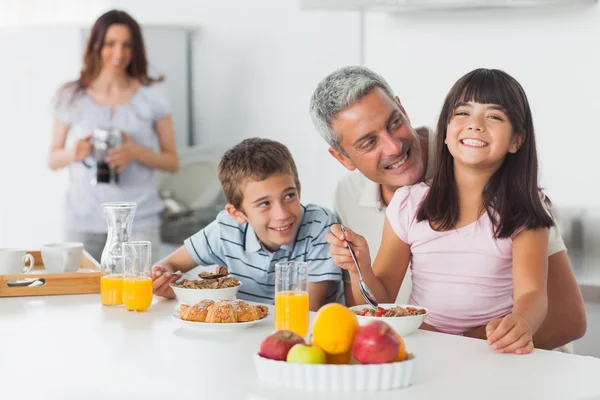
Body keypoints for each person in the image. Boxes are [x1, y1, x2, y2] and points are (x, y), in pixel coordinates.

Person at [310, 66, 586, 351]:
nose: (393, 147)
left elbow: (554, 309)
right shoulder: (387, 200)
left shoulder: (524, 206)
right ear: (344, 158)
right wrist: (360, 268)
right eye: (369, 142)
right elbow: (379, 303)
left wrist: (489, 337)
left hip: (507, 358)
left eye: (394, 123)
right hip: (426, 356)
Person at [151, 138, 344, 311]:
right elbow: (169, 263)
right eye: (264, 204)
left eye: (289, 195)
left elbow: (305, 312)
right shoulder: (226, 229)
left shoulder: (319, 225)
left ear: (299, 191)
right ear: (237, 214)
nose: (282, 214)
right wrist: (163, 279)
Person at [48, 10, 180, 263]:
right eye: (110, 43)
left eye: (127, 45)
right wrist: (74, 152)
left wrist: (136, 153)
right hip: (83, 219)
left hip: (138, 221)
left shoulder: (152, 94)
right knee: (79, 296)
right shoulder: (70, 95)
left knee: (138, 297)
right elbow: (53, 158)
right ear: (95, 45)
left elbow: (172, 162)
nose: (119, 54)